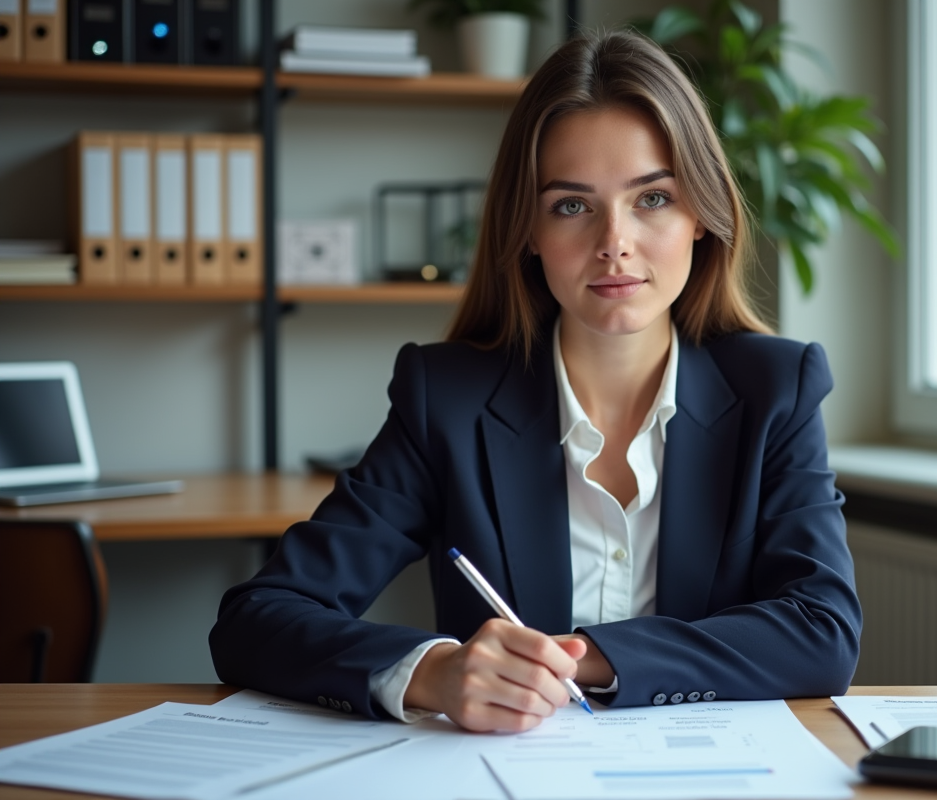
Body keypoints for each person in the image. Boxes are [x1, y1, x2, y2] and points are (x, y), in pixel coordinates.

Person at [209, 29, 861, 734]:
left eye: (652, 199)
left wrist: (583, 658)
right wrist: (432, 672)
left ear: (701, 213)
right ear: (527, 229)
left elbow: (821, 634)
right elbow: (256, 620)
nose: (615, 241)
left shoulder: (777, 389)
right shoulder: (447, 400)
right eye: (571, 205)